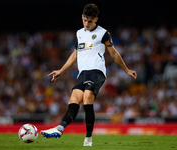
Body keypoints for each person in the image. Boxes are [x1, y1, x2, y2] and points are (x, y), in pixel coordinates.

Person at [40, 3, 137, 146]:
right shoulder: (79, 33)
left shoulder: (103, 33)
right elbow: (75, 54)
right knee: (73, 100)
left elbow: (113, 54)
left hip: (97, 72)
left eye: (90, 21)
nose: (86, 23)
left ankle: (88, 138)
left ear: (96, 19)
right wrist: (61, 70)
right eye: (84, 20)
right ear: (82, 17)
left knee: (87, 98)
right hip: (83, 73)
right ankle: (59, 129)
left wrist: (126, 70)